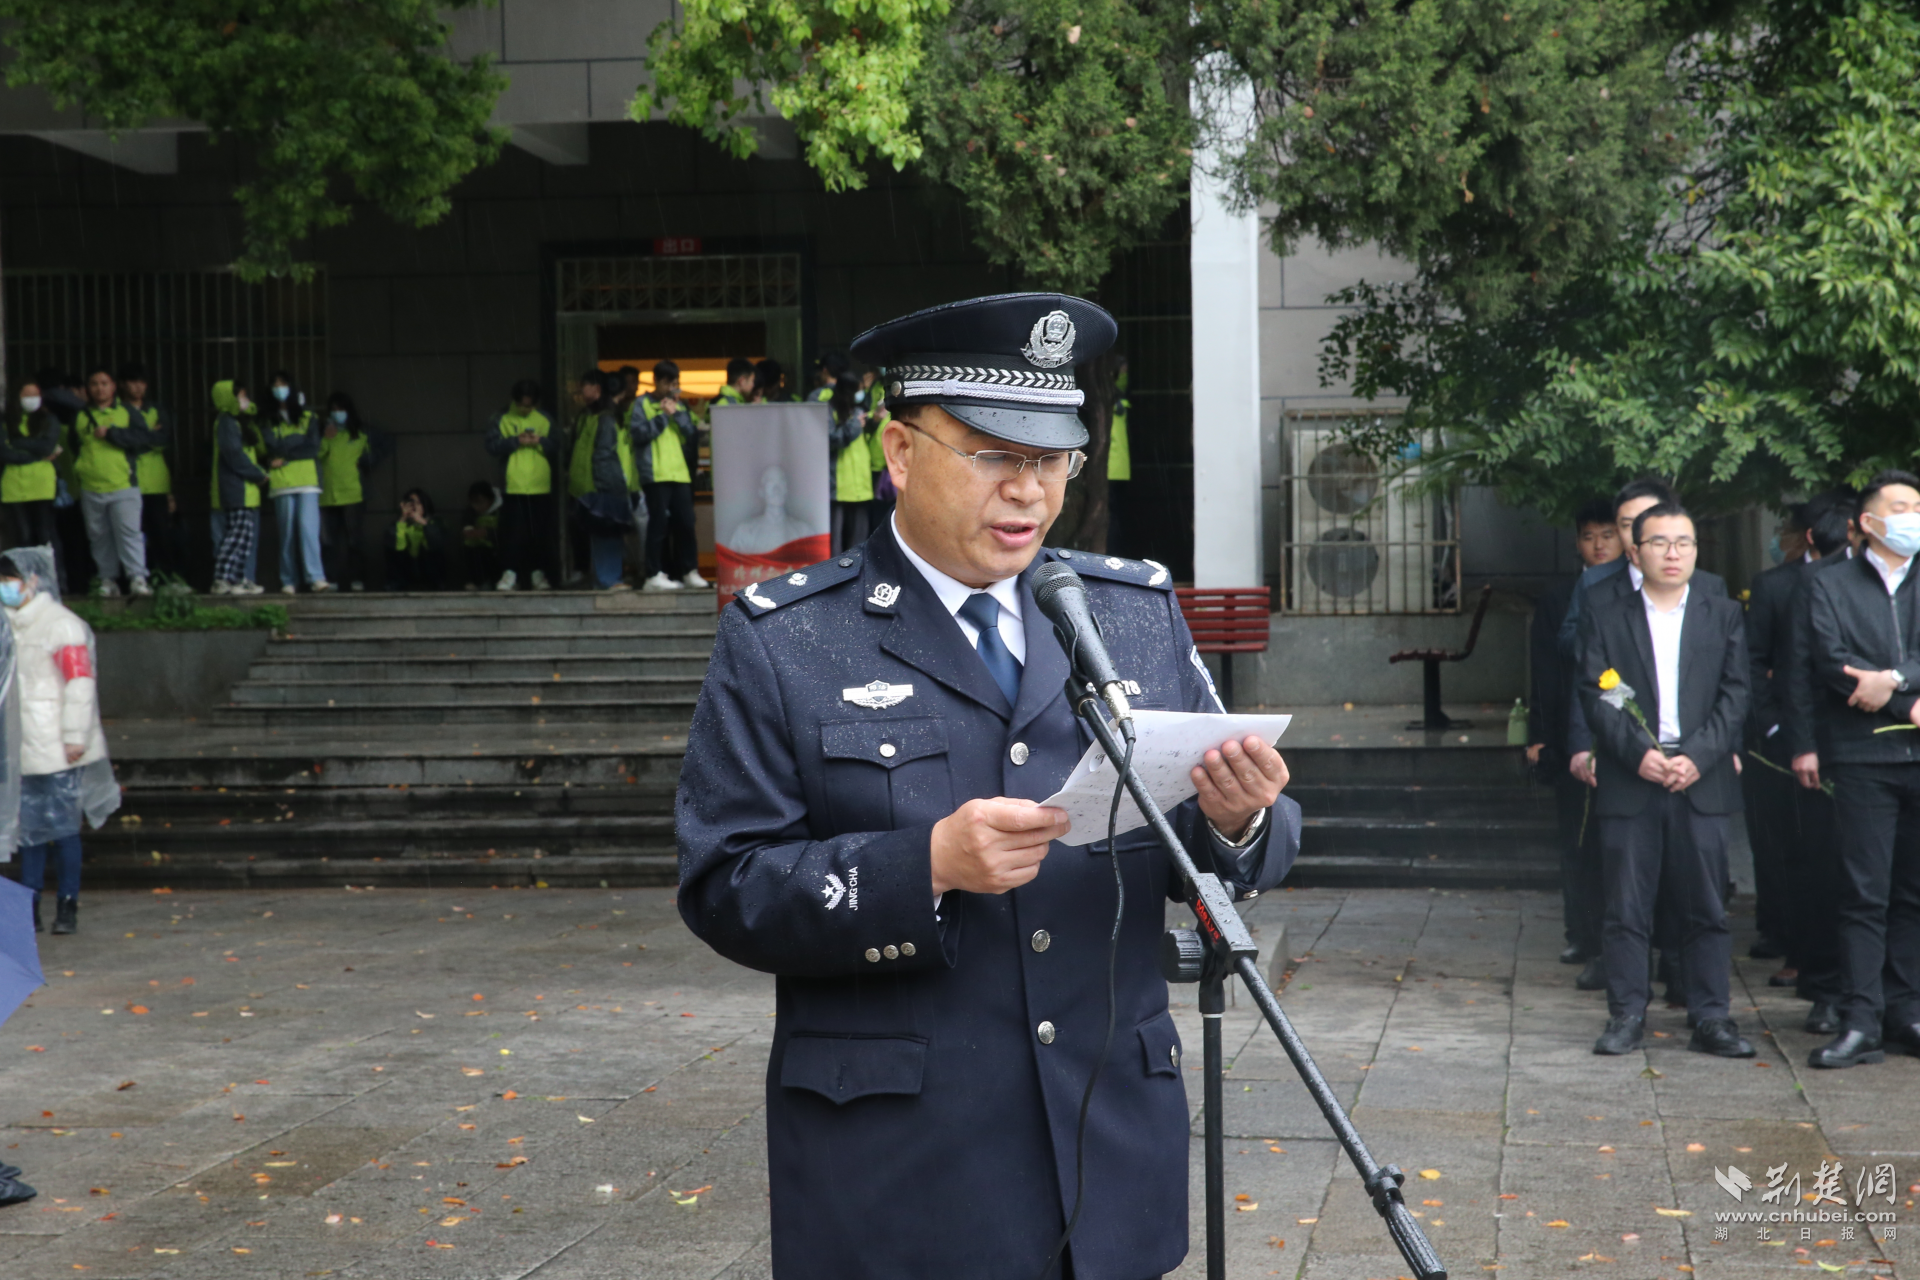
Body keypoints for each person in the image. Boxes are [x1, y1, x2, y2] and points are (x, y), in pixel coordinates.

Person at [677, 292, 1301, 1280]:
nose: (1028, 491)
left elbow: (1232, 833)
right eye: (995, 455)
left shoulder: (1128, 612)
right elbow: (725, 883)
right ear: (900, 451)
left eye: (1052, 461)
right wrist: (922, 865)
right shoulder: (788, 638)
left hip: (1109, 1152)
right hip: (901, 1173)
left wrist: (1238, 817)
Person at [1577, 501, 1753, 1058]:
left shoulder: (1721, 613)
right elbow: (1599, 692)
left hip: (1701, 777)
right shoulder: (1607, 614)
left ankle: (1712, 1017)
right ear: (1636, 552)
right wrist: (1638, 754)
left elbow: (1736, 694)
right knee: (1626, 906)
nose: (1672, 553)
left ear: (1696, 551)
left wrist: (1699, 755)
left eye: (1684, 543)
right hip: (1634, 778)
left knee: (1707, 905)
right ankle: (1626, 1014)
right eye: (1659, 542)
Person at [1801, 471, 1920, 1068]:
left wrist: (1895, 681)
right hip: (1862, 754)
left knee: (1913, 893)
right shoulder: (1829, 583)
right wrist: (1909, 704)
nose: (1913, 517)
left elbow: (1898, 667)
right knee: (1863, 893)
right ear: (1869, 522)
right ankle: (1861, 1018)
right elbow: (1832, 661)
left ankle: (1908, 1011)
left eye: (1918, 506)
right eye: (1901, 507)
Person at [0, 546, 118, 936]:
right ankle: (30, 902)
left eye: (10, 580)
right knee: (29, 832)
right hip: (20, 745)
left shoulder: (61, 626)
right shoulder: (7, 626)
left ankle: (67, 903)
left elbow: (79, 682)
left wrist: (74, 735)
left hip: (57, 744)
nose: (5, 588)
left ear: (33, 580)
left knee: (63, 829)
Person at [1527, 497, 1620, 990]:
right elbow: (1544, 671)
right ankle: (1581, 933)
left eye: (1608, 534)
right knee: (1577, 839)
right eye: (1589, 536)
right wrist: (1540, 736)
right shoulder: (1561, 598)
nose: (1599, 545)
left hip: (1625, 734)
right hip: (1571, 731)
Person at [1779, 500, 1855, 1032]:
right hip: (1833, 748)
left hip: (1902, 742)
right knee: (1829, 871)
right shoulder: (1819, 580)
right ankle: (1827, 988)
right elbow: (1797, 668)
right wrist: (1802, 742)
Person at [1741, 504, 1817, 970]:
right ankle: (1785, 935)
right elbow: (1753, 662)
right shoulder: (1774, 584)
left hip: (1843, 739)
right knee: (1781, 843)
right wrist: (1771, 724)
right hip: (1778, 737)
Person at [69, 367, 151, 597]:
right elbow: (75, 445)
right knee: (99, 536)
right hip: (91, 486)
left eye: (104, 383)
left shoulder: (127, 412)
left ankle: (137, 577)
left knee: (129, 533)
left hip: (122, 484)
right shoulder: (81, 415)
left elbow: (143, 438)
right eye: (94, 384)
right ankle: (107, 579)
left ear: (114, 387)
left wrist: (113, 434)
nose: (99, 388)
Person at [631, 361, 706, 591]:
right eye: (668, 384)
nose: (672, 389)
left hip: (679, 473)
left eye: (675, 384)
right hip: (655, 473)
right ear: (656, 381)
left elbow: (690, 433)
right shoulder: (642, 404)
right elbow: (638, 434)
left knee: (686, 522)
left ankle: (689, 571)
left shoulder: (678, 405)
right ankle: (653, 574)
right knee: (658, 523)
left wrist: (677, 414)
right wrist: (663, 416)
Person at [484, 379, 562, 591]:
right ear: (515, 401)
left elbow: (558, 443)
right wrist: (515, 441)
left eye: (529, 405)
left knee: (539, 533)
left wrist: (540, 441)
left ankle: (538, 573)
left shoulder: (544, 418)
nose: (525, 409)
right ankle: (509, 573)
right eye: (521, 405)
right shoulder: (502, 418)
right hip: (513, 485)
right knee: (513, 533)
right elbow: (491, 446)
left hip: (540, 485)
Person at [119, 364, 186, 590]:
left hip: (157, 483)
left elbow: (164, 439)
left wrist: (136, 438)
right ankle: (135, 580)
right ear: (123, 385)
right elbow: (121, 439)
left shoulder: (157, 410)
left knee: (161, 534)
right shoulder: (118, 410)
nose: (138, 387)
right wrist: (148, 435)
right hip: (127, 481)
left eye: (141, 382)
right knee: (131, 535)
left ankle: (166, 579)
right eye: (132, 382)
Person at [262, 371, 328, 593]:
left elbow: (313, 447)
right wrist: (297, 442)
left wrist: (286, 453)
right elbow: (271, 446)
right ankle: (288, 580)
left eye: (282, 384)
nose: (279, 388)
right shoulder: (268, 419)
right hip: (281, 482)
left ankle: (315, 577)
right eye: (275, 384)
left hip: (307, 480)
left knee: (308, 530)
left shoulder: (309, 416)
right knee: (287, 533)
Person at [574, 372, 638, 590]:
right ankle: (609, 579)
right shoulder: (606, 418)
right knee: (607, 532)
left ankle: (605, 578)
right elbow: (605, 455)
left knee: (604, 532)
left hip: (598, 483)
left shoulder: (595, 416)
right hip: (607, 484)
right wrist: (614, 486)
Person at [0, 381, 66, 586]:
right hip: (14, 487)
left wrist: (18, 444)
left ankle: (55, 581)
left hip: (42, 485)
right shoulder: (6, 422)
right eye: (26, 395)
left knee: (45, 535)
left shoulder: (49, 420)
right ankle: (25, 582)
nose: (31, 399)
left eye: (34, 394)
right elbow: (5, 453)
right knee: (23, 536)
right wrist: (36, 455)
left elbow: (46, 446)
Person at [318, 392, 385, 592]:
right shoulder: (325, 432)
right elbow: (317, 454)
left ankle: (357, 578)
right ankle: (330, 579)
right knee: (327, 541)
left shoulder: (360, 433)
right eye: (333, 409)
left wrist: (366, 461)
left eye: (341, 409)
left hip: (353, 493)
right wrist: (326, 437)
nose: (337, 413)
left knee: (354, 540)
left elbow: (380, 448)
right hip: (327, 494)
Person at [209, 380, 269, 596]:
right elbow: (234, 456)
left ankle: (236, 579)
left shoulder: (238, 422)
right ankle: (222, 578)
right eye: (241, 395)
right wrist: (258, 474)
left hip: (244, 490)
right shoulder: (227, 422)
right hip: (237, 489)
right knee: (236, 536)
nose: (245, 400)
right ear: (229, 398)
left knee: (243, 538)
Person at [565, 368, 606, 586]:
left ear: (596, 388)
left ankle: (602, 572)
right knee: (578, 528)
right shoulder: (583, 415)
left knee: (601, 530)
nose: (581, 390)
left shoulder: (607, 415)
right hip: (578, 483)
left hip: (598, 483)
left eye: (585, 386)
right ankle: (582, 568)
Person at [828, 372, 871, 553]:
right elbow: (832, 439)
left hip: (860, 480)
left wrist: (874, 421)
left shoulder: (858, 410)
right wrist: (854, 425)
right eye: (858, 390)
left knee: (859, 537)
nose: (860, 394)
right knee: (835, 538)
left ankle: (859, 565)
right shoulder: (830, 410)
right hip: (839, 482)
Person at [387, 488, 448, 591]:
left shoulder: (435, 522)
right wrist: (402, 519)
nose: (414, 507)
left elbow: (436, 544)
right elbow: (397, 548)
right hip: (408, 569)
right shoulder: (399, 524)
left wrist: (422, 521)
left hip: (429, 570)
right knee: (394, 551)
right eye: (411, 504)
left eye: (418, 503)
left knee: (435, 553)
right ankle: (397, 583)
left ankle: (437, 583)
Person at [1106, 354, 1132, 556]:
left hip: (1115, 469)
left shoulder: (1115, 400)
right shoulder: (1114, 402)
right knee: (1115, 518)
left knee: (1114, 517)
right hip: (1115, 469)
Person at [461, 480, 503, 590]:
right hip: (478, 550)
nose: (477, 506)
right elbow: (466, 524)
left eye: (481, 502)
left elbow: (508, 532)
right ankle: (477, 582)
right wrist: (469, 531)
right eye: (474, 503)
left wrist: (487, 533)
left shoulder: (503, 509)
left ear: (491, 499)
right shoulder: (470, 511)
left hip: (498, 549)